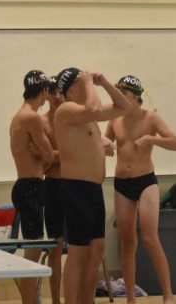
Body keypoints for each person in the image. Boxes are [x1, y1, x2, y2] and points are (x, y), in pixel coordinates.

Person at [53, 68, 136, 304]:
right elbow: (95, 108)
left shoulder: (85, 115)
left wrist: (105, 83)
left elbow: (123, 108)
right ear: (71, 89)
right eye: (81, 81)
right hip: (75, 189)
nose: (87, 84)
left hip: (93, 189)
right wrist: (90, 83)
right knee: (79, 252)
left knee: (96, 250)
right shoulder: (66, 110)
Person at [104, 75, 176, 304]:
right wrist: (104, 141)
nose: (119, 98)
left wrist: (151, 139)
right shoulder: (114, 118)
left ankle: (168, 295)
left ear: (136, 96)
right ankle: (130, 298)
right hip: (122, 183)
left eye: (124, 95)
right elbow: (102, 139)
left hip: (146, 181)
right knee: (127, 241)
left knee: (150, 237)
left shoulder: (151, 118)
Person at [10, 70, 56, 304]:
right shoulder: (32, 117)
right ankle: (29, 301)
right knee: (34, 249)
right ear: (45, 91)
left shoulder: (19, 115)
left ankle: (30, 299)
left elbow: (42, 154)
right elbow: (48, 156)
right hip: (31, 186)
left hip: (26, 184)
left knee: (33, 248)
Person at [40, 73, 67, 304]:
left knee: (82, 246)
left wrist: (58, 156)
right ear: (46, 95)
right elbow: (44, 159)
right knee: (55, 247)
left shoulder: (73, 118)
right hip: (53, 186)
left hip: (77, 183)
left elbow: (86, 151)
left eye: (61, 92)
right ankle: (56, 300)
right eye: (54, 92)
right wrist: (71, 154)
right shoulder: (41, 122)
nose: (58, 97)